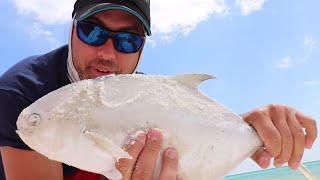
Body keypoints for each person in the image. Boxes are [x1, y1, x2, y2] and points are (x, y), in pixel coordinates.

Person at [0, 0, 317, 179]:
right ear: (71, 29)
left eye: (128, 40)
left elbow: (194, 138)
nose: (108, 54)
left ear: (142, 48)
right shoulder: (25, 92)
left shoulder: (147, 94)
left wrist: (251, 131)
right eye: (92, 31)